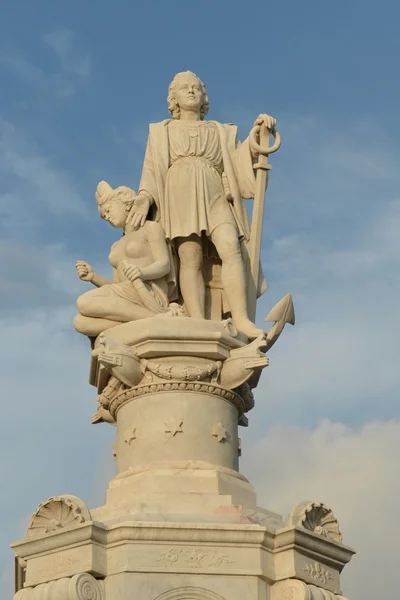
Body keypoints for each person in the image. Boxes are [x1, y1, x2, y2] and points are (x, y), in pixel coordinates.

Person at [127, 70, 276, 338]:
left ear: (204, 95)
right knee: (190, 257)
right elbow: (152, 170)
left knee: (231, 246)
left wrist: (257, 136)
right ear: (173, 98)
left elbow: (239, 162)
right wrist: (144, 197)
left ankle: (241, 319)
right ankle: (196, 320)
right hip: (179, 192)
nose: (191, 91)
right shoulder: (162, 132)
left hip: (214, 191)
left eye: (196, 87)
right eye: (184, 88)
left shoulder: (220, 131)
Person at [74, 182, 174, 337]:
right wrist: (93, 277)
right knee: (80, 322)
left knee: (84, 302)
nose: (107, 217)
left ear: (124, 204)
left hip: (148, 291)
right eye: (104, 216)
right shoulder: (115, 246)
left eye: (108, 210)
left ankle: (156, 317)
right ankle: (146, 320)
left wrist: (142, 273)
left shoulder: (150, 228)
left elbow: (164, 264)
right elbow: (118, 285)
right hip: (127, 294)